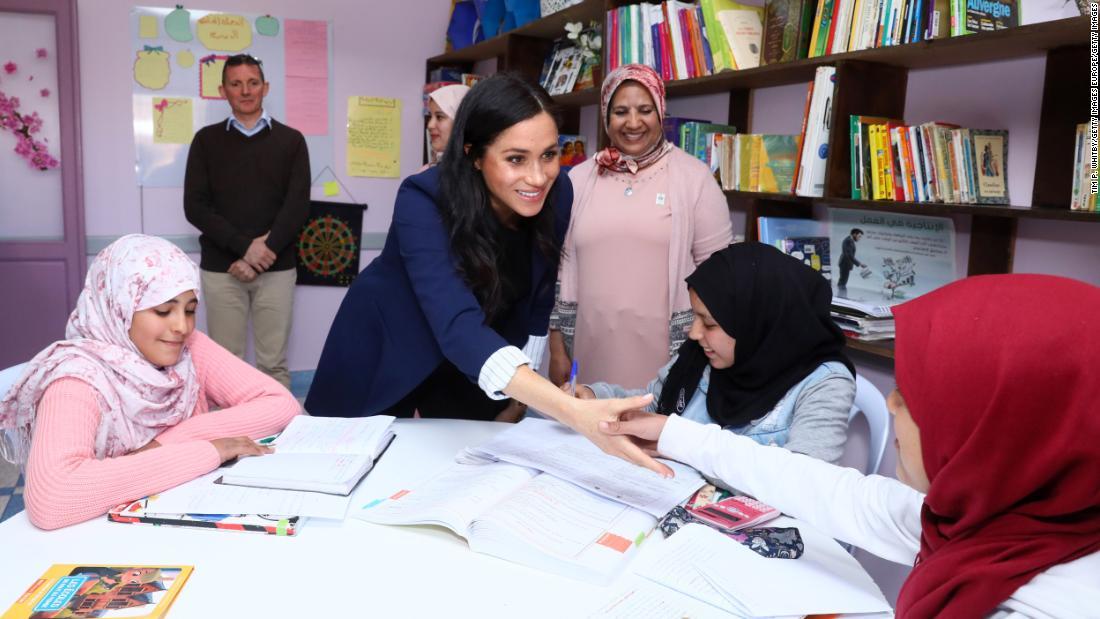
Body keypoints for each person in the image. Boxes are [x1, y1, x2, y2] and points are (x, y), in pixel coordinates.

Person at [600, 274, 1100, 617]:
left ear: (998, 430)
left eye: (918, 397)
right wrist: (672, 432)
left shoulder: (1044, 602)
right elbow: (828, 489)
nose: (892, 404)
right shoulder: (994, 523)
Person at [305, 73, 668, 476]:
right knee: (338, 471)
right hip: (389, 342)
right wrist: (569, 410)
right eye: (516, 159)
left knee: (470, 466)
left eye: (549, 155)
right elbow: (456, 322)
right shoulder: (423, 198)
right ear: (474, 155)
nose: (537, 176)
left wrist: (519, 397)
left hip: (476, 354)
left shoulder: (559, 190)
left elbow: (539, 291)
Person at [0, 235, 300, 530]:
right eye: (162, 310)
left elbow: (281, 405)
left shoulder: (190, 349)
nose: (181, 326)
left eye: (190, 309)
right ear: (119, 308)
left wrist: (168, 442)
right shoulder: (76, 378)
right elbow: (52, 498)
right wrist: (209, 451)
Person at [576, 243, 854, 463]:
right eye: (696, 318)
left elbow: (804, 483)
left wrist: (681, 440)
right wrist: (593, 397)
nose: (694, 333)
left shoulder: (825, 385)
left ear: (755, 322)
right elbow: (650, 408)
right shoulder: (702, 356)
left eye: (709, 323)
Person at [549, 64, 733, 388]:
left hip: (669, 353)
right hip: (588, 347)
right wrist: (556, 346)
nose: (633, 123)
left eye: (644, 110)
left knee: (651, 432)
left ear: (660, 111)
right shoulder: (577, 179)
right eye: (620, 111)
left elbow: (721, 275)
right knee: (589, 429)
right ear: (606, 116)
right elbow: (558, 268)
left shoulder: (694, 178)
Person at [183, 53, 311, 390]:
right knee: (226, 366)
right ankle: (233, 440)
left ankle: (279, 439)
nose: (245, 91)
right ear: (222, 90)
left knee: (274, 365)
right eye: (235, 84)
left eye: (252, 83)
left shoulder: (292, 141)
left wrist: (264, 250)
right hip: (222, 270)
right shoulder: (206, 141)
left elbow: (297, 206)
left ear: (265, 87)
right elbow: (195, 206)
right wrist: (244, 249)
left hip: (277, 267)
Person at [424, 84, 471, 169]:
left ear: (461, 121)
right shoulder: (425, 176)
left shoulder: (486, 174)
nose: (430, 125)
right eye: (430, 116)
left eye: (439, 117)